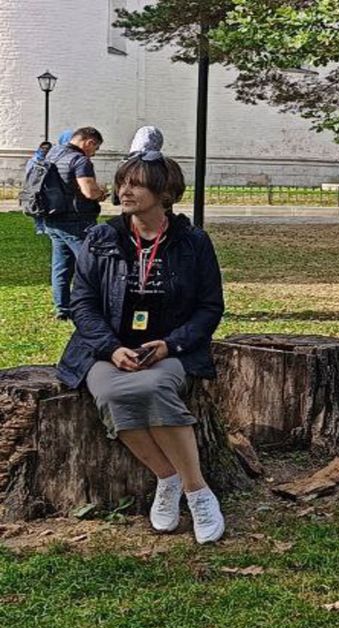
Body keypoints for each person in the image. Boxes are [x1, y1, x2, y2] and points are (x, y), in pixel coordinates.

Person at [56, 152, 226, 544]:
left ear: (164, 191)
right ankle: (167, 479)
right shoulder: (102, 238)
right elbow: (81, 302)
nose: (124, 190)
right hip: (105, 350)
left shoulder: (193, 242)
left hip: (170, 350)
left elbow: (210, 306)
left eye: (136, 183)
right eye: (122, 182)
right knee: (113, 392)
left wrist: (172, 345)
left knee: (153, 388)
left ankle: (198, 491)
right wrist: (111, 348)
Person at [42, 126, 108, 321]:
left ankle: (62, 308)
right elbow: (88, 191)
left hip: (52, 217)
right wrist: (101, 193)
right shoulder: (80, 160)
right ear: (89, 142)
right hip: (76, 220)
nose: (94, 153)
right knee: (91, 263)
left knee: (61, 266)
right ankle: (94, 306)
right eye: (95, 149)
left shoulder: (53, 153)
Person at [24, 141, 53, 235]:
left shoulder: (51, 161)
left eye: (47, 148)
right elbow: (28, 174)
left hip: (47, 187)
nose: (45, 150)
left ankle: (46, 227)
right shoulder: (33, 161)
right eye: (43, 148)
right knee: (35, 206)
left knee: (46, 207)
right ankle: (39, 227)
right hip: (34, 187)